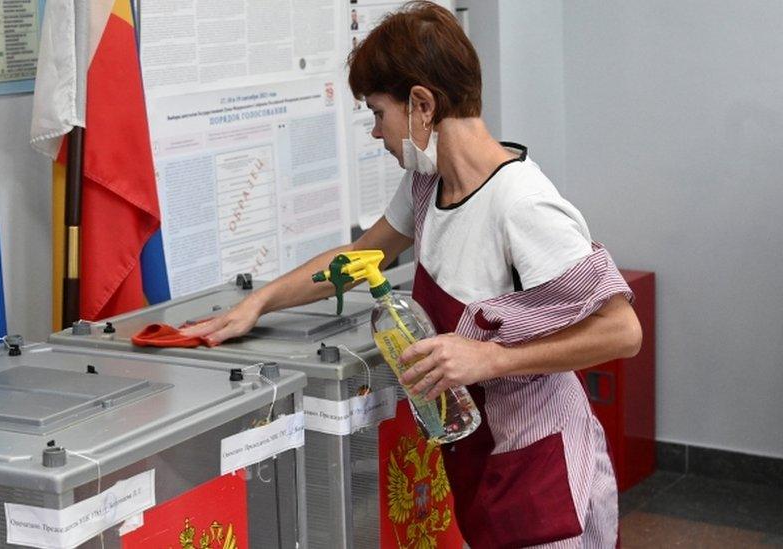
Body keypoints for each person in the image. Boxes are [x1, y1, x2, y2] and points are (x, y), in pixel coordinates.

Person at [182, 2, 641, 546]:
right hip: (480, 449)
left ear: (422, 104)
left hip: (544, 463)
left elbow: (622, 330)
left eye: (378, 113)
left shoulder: (522, 204)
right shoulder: (429, 184)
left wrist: (492, 358)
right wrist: (258, 304)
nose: (376, 132)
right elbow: (357, 258)